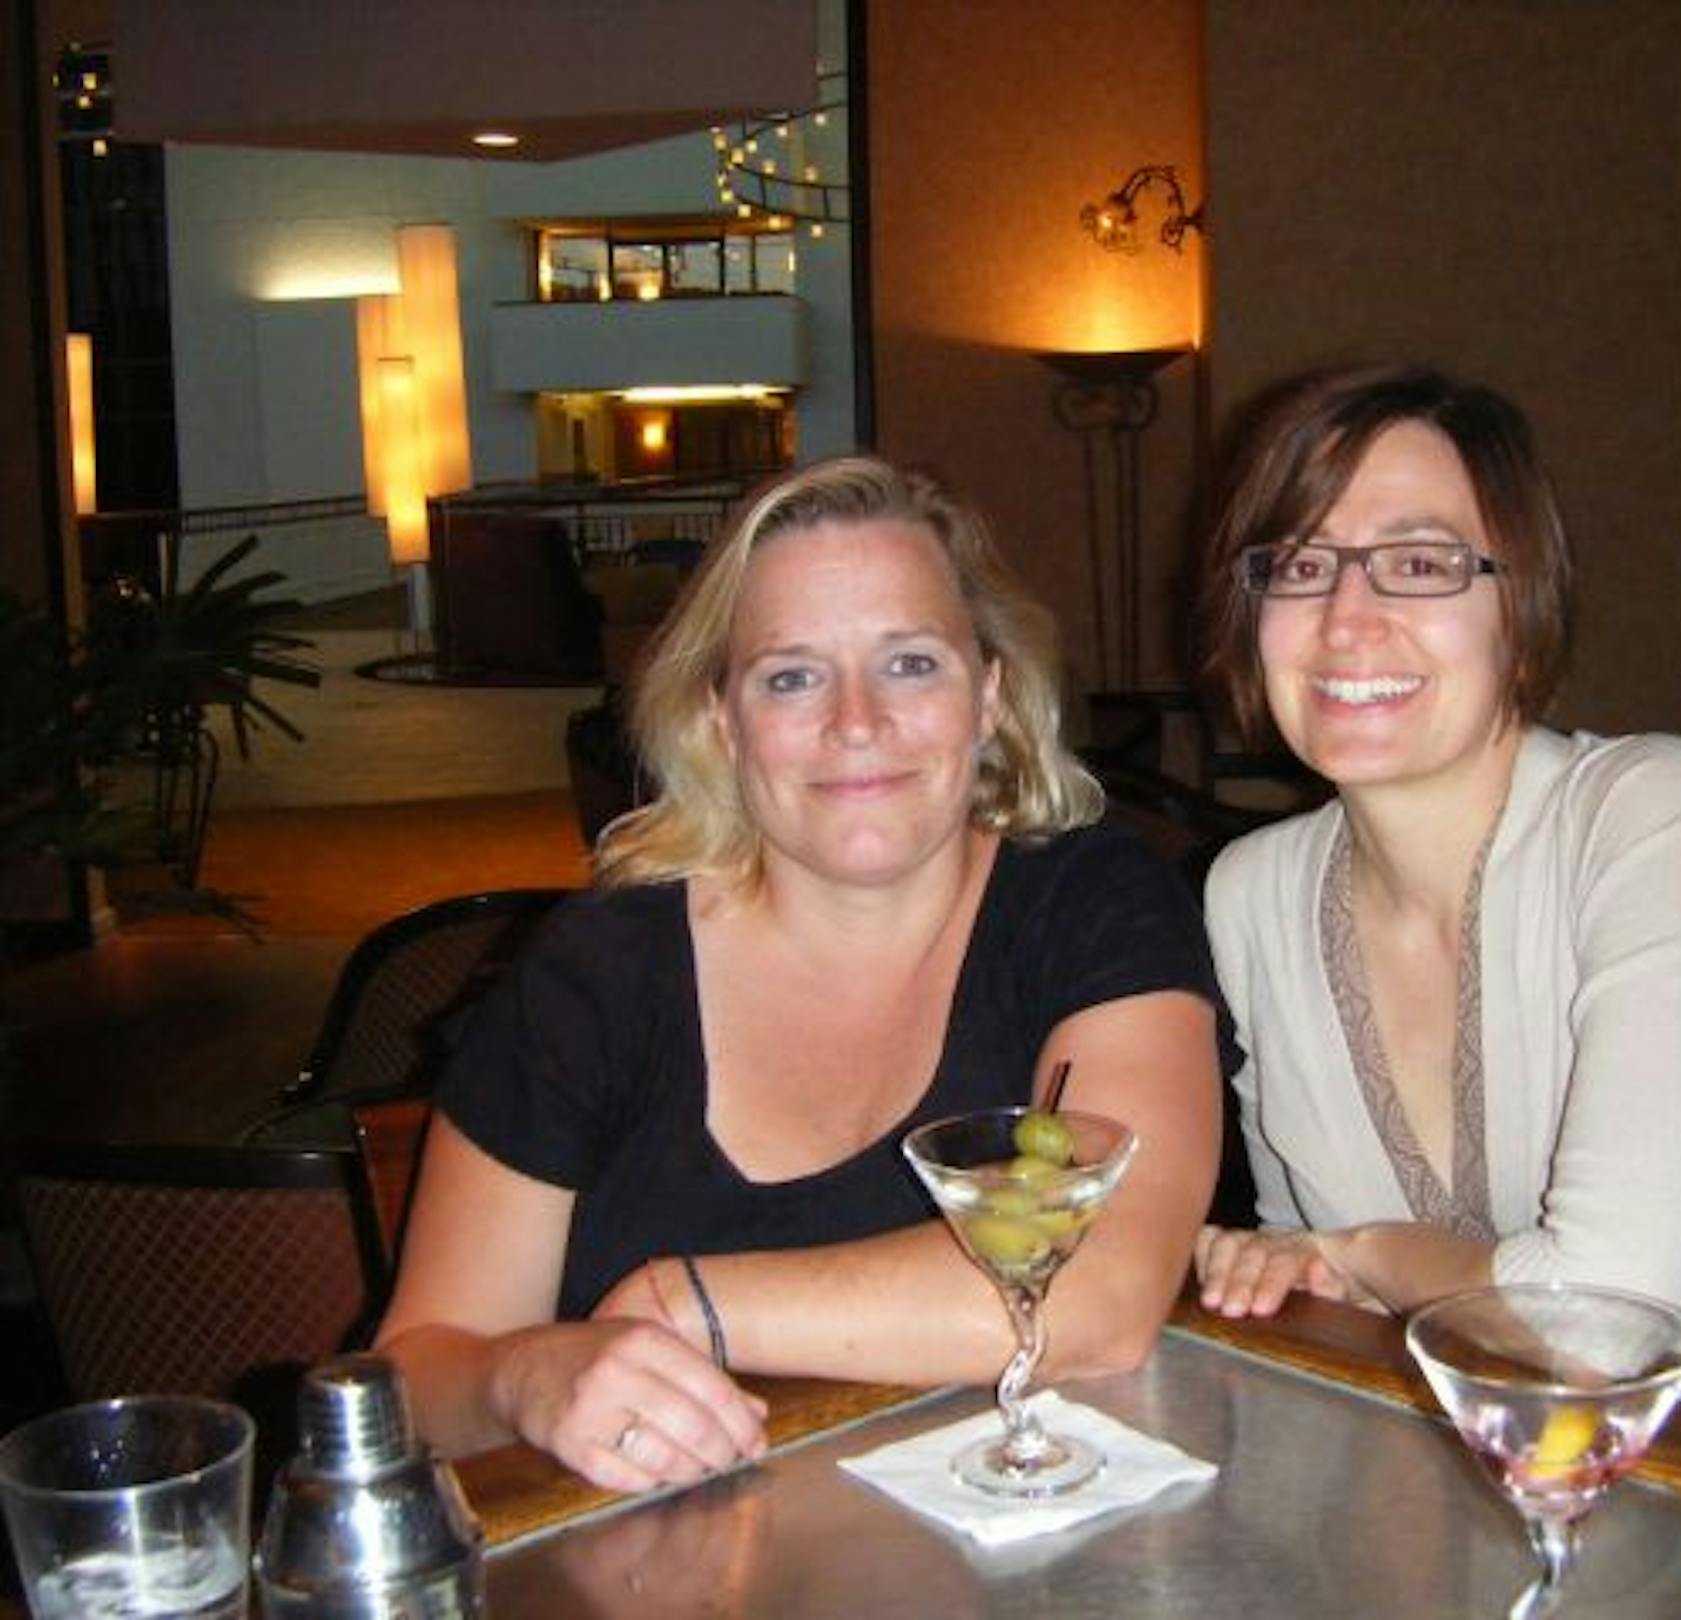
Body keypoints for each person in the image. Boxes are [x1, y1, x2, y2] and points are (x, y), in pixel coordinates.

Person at [375, 456, 1230, 1491]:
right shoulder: (599, 968)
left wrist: (681, 1303)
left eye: (910, 663)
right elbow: (415, 1378)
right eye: (791, 676)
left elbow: (1100, 1297)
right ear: (724, 724)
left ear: (991, 696)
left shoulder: (1092, 905)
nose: (856, 721)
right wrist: (522, 1378)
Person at [1187, 362, 1681, 1477]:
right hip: (1492, 1515)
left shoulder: (1657, 816)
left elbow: (1611, 1329)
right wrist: (1295, 1268)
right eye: (1302, 565)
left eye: (1420, 564)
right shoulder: (1251, 891)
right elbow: (1323, 1299)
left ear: (1524, 601)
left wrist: (1366, 1251)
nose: (1345, 620)